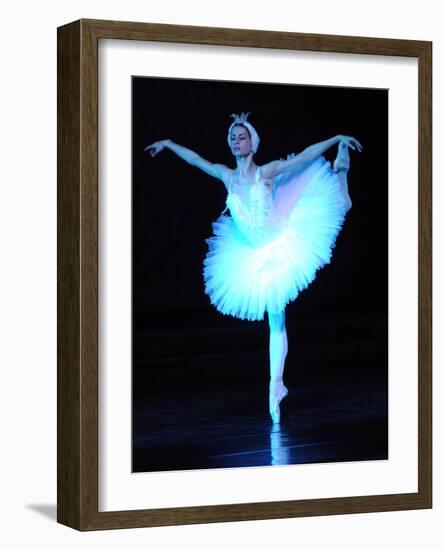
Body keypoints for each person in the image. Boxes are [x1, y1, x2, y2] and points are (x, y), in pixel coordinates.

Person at [145, 112, 362, 424]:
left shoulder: (267, 171)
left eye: (242, 136)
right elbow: (195, 160)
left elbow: (304, 156)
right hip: (254, 252)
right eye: (232, 137)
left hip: (284, 237)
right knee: (275, 318)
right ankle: (276, 387)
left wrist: (336, 139)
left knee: (342, 204)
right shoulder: (226, 175)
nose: (236, 141)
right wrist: (168, 143)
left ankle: (341, 167)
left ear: (252, 143)